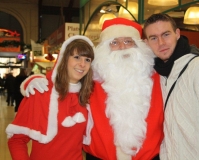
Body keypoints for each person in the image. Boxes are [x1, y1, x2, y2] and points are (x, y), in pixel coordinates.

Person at [19, 18, 165, 160]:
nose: (121, 47)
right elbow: (64, 80)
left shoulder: (160, 80)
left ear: (139, 47)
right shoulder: (91, 79)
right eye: (114, 42)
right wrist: (36, 80)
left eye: (128, 41)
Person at [143, 13, 199, 160]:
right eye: (153, 38)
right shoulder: (157, 74)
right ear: (146, 42)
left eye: (166, 34)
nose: (161, 43)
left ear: (177, 34)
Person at [5, 35, 95, 160]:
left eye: (87, 60)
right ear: (63, 59)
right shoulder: (41, 92)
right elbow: (17, 141)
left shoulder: (87, 96)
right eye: (77, 57)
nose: (82, 64)